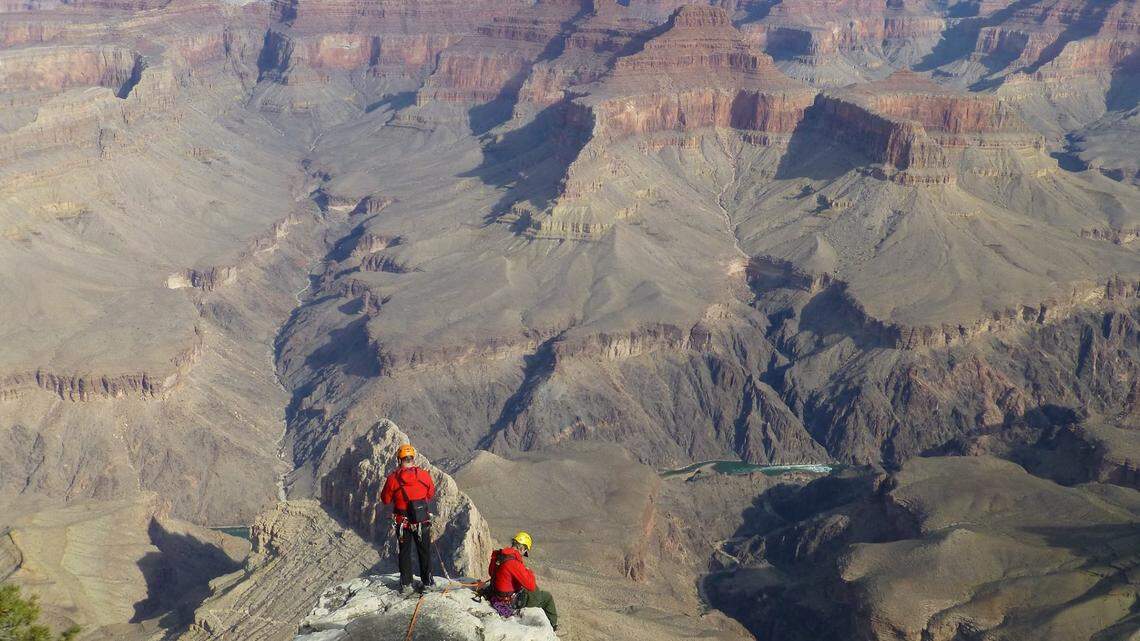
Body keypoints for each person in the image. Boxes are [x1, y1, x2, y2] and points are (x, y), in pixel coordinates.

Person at [380, 443, 437, 594]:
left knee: (404, 552)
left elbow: (385, 499)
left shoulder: (393, 479)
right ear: (413, 458)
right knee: (424, 551)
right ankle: (428, 583)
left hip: (402, 523)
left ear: (399, 460)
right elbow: (430, 494)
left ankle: (406, 584)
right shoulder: (424, 475)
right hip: (422, 521)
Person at [484, 531, 559, 631]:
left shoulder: (499, 555)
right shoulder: (513, 562)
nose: (524, 554)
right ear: (522, 548)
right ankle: (552, 627)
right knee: (546, 597)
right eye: (525, 551)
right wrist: (528, 571)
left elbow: (491, 572)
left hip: (496, 595)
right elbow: (531, 585)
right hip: (510, 602)